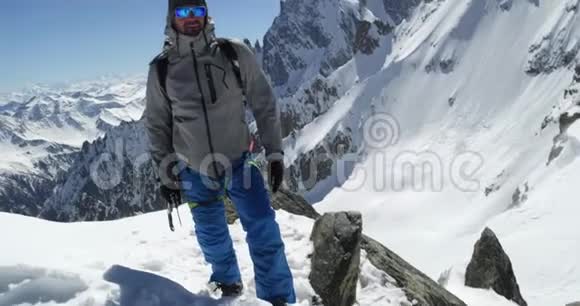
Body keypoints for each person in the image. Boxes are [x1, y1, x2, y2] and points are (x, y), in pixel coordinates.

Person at [143, 1, 296, 305]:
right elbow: (157, 125)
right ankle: (228, 285)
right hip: (193, 167)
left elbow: (264, 102)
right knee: (211, 236)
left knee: (263, 226)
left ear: (206, 15)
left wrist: (275, 153)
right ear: (171, 18)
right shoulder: (161, 69)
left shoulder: (233, 53)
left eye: (196, 12)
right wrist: (166, 174)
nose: (191, 19)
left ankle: (277, 298)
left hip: (240, 160)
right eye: (183, 12)